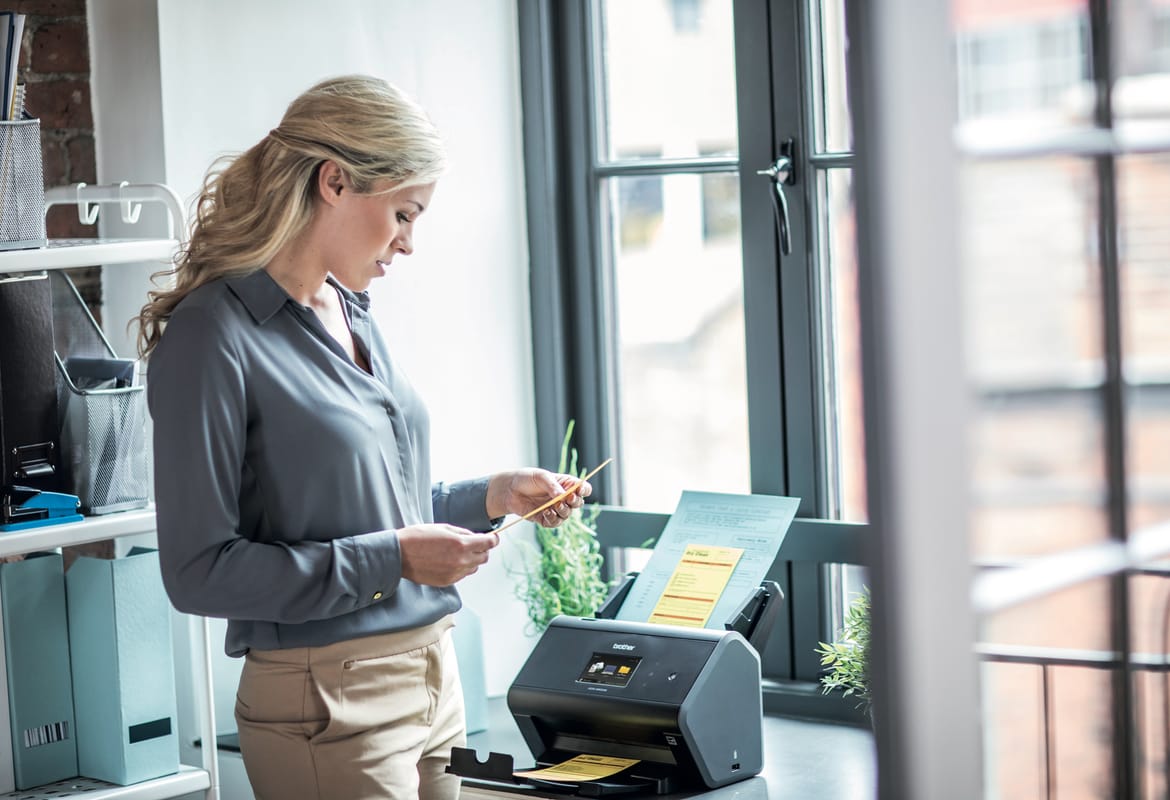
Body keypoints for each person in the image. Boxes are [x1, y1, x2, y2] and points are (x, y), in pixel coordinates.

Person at [137, 74, 591, 800]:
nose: (409, 244)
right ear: (335, 181)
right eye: (404, 214)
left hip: (435, 678)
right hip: (327, 699)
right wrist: (397, 559)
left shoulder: (353, 311)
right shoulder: (212, 334)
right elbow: (197, 571)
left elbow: (375, 506)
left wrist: (495, 495)